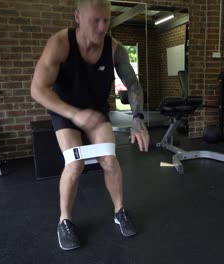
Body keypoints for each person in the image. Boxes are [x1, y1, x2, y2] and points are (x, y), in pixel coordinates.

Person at [30, 0, 149, 250]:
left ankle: (119, 211)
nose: (102, 26)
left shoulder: (115, 49)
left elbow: (134, 85)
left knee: (109, 159)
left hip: (96, 112)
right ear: (78, 17)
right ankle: (64, 220)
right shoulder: (60, 44)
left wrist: (138, 118)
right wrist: (74, 114)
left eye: (106, 20)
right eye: (95, 20)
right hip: (65, 111)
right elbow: (38, 90)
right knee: (75, 163)